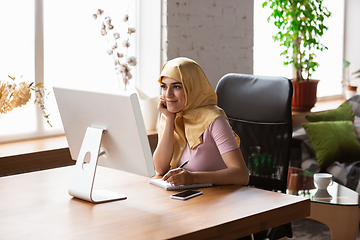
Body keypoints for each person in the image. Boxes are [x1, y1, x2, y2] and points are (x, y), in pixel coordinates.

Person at [153, 57, 249, 186]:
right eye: (164, 87)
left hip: (217, 200)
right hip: (187, 199)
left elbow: (241, 175)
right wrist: (170, 120)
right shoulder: (170, 116)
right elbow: (160, 168)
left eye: (176, 87)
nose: (168, 94)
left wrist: (193, 178)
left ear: (192, 87)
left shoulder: (214, 120)